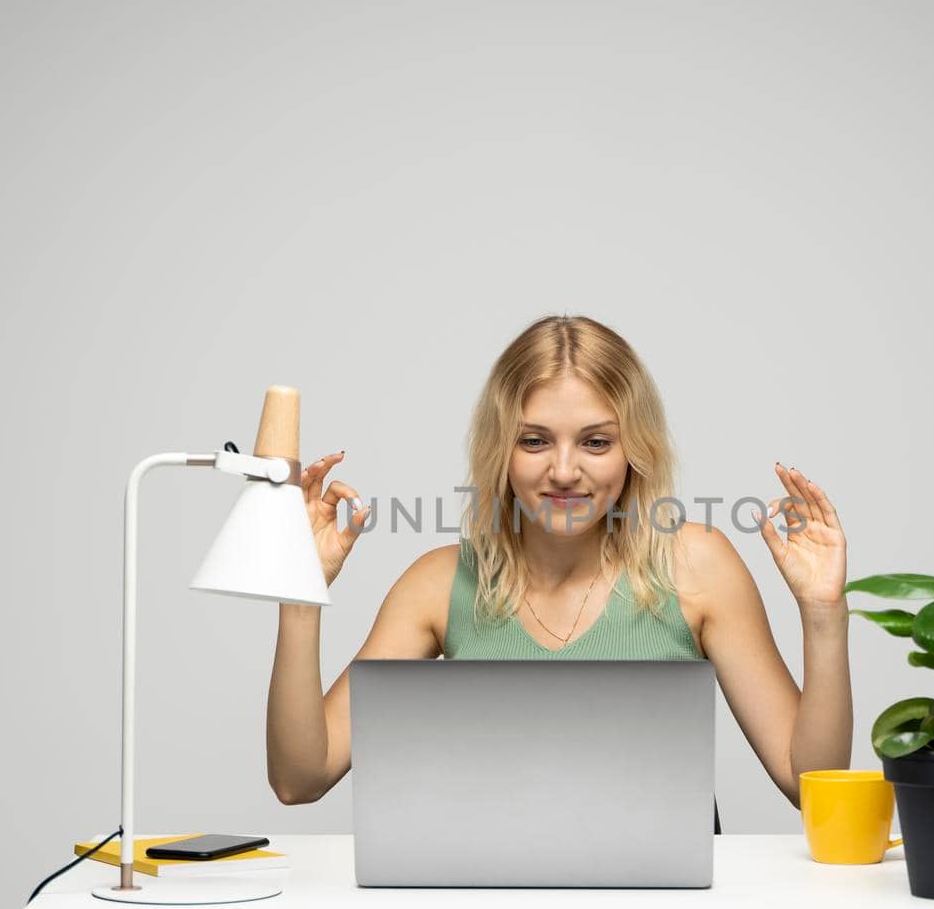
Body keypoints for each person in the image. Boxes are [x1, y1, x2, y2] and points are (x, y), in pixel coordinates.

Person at [265, 316, 854, 832]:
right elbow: (300, 777)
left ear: (634, 452)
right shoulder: (437, 584)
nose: (565, 470)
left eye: (596, 442)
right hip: (500, 908)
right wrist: (299, 586)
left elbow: (810, 783)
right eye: (535, 440)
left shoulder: (696, 565)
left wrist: (824, 612)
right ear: (502, 448)